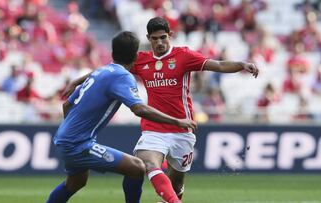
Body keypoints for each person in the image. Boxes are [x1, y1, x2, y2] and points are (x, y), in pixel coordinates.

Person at [64, 17, 259, 203]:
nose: (159, 42)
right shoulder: (140, 60)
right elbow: (109, 70)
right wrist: (78, 80)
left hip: (183, 130)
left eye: (163, 37)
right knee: (148, 162)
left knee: (177, 185)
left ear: (170, 35)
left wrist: (241, 64)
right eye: (155, 38)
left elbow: (217, 64)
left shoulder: (184, 55)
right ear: (148, 39)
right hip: (154, 129)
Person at [46, 31, 197, 203]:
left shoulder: (102, 71)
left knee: (75, 183)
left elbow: (67, 105)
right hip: (77, 144)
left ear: (112, 53)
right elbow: (139, 109)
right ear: (135, 56)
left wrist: (73, 131)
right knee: (136, 167)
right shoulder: (122, 76)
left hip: (66, 138)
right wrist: (177, 120)